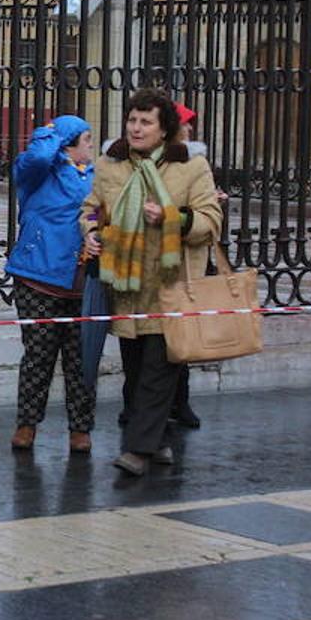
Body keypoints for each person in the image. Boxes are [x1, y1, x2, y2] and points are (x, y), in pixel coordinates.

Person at [81, 88, 221, 476]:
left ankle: (138, 450)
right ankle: (157, 441)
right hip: (126, 288)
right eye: (132, 120)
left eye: (146, 122)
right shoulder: (111, 163)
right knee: (138, 369)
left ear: (165, 130)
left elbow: (210, 220)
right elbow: (93, 210)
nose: (136, 128)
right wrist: (91, 233)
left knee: (161, 368)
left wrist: (172, 217)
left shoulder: (191, 167)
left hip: (171, 285)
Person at [3, 115, 97, 454]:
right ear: (68, 144)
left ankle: (80, 428)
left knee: (80, 359)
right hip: (37, 277)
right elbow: (40, 156)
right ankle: (27, 424)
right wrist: (53, 132)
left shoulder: (94, 177)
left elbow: (102, 210)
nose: (91, 146)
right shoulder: (38, 171)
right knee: (39, 355)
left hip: (81, 279)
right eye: (86, 139)